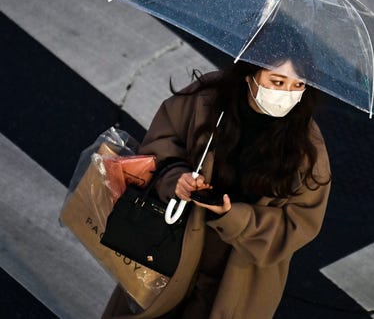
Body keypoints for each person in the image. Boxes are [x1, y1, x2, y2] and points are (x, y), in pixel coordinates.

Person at [101, 56, 331, 319]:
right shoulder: (208, 100)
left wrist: (233, 217)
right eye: (277, 81)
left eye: (298, 85)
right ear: (250, 75)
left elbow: (299, 224)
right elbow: (160, 144)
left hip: (234, 276)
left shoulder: (306, 147)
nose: (286, 94)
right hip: (168, 247)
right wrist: (177, 178)